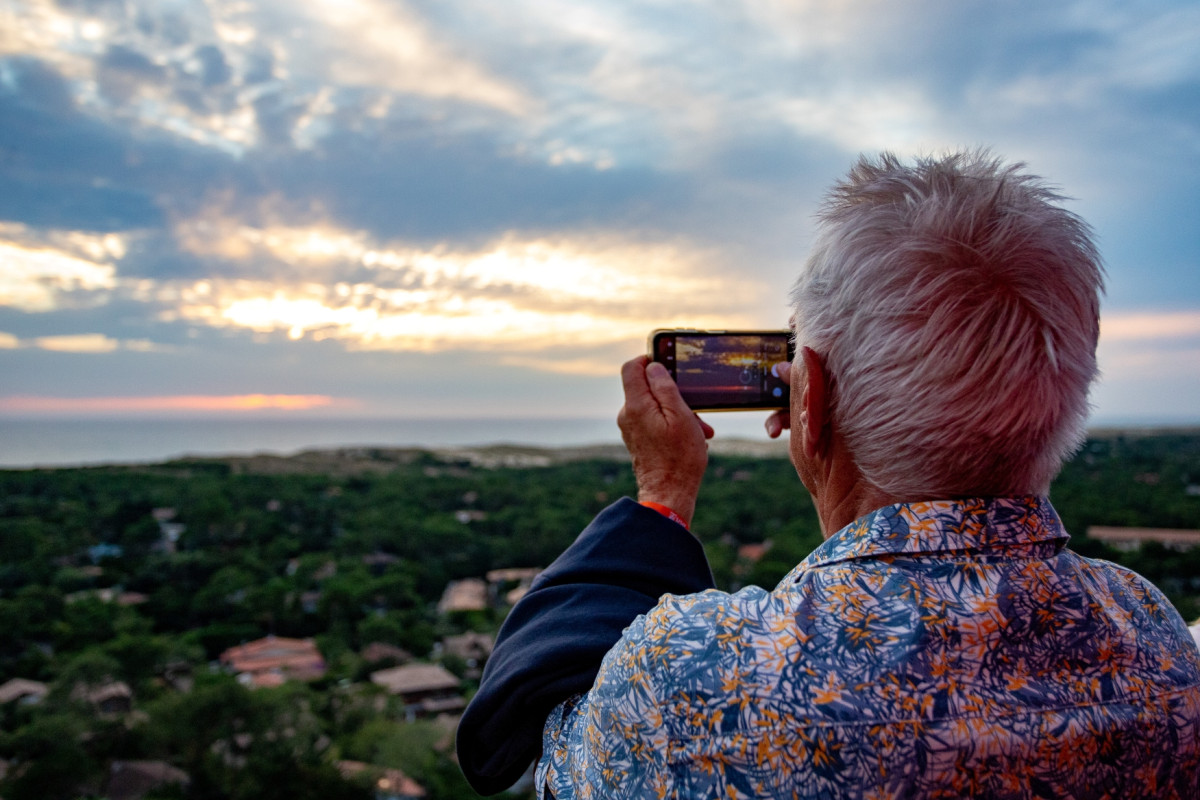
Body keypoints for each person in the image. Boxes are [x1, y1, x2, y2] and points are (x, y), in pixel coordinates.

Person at [456, 151, 1200, 798]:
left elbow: (539, 749)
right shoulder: (1154, 638)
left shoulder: (699, 686)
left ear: (805, 396)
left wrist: (663, 496)